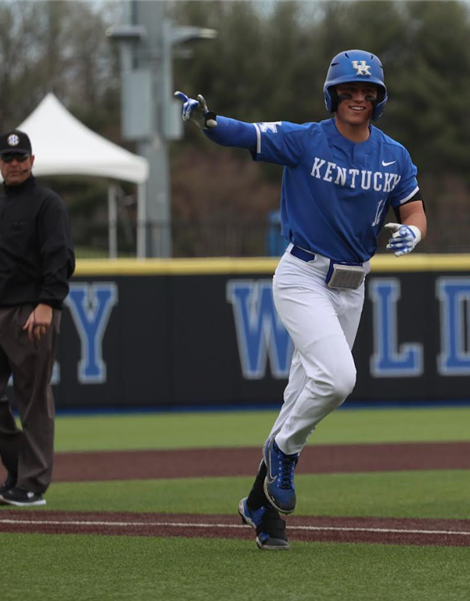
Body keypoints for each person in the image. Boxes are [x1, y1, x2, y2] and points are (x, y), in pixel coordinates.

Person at [175, 48, 428, 551]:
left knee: (301, 402)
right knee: (337, 379)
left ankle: (260, 509)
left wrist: (414, 235)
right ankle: (281, 451)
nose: (358, 98)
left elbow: (415, 211)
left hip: (352, 287)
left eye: (368, 91)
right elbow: (247, 133)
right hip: (303, 276)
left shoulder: (393, 153)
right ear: (333, 95)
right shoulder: (306, 139)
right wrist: (209, 122)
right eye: (349, 91)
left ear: (379, 98)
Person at [0, 129, 74, 507]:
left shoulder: (48, 204)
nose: (14, 163)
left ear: (31, 160)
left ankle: (32, 485)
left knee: (33, 399)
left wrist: (48, 304)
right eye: (7, 158)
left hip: (32, 311)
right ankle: (20, 464)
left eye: (20, 157)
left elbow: (60, 258)